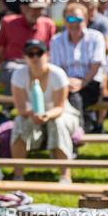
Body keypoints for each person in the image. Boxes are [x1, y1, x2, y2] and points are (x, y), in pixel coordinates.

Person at [8, 39, 80, 183]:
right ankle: (18, 174)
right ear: (25, 57)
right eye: (31, 54)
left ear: (47, 55)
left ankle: (65, 174)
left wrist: (47, 115)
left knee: (57, 122)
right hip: (34, 115)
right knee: (20, 122)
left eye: (39, 53)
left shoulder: (58, 74)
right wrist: (32, 114)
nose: (35, 57)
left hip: (62, 114)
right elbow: (20, 108)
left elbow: (60, 107)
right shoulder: (18, 75)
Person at [49, 1, 107, 119]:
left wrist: (82, 82)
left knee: (73, 97)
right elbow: (55, 68)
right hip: (65, 83)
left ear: (86, 20)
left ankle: (78, 130)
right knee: (71, 95)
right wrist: (68, 81)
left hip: (90, 83)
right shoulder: (56, 40)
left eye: (79, 20)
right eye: (70, 19)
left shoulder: (96, 37)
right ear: (64, 21)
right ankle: (82, 129)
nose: (74, 23)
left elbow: (96, 65)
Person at [0, 0, 56, 94]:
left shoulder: (48, 24)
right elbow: (0, 49)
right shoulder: (8, 22)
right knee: (16, 74)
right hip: (13, 64)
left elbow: (51, 51)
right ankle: (8, 107)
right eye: (34, 9)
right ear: (23, 8)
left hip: (37, 63)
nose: (38, 12)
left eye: (41, 9)